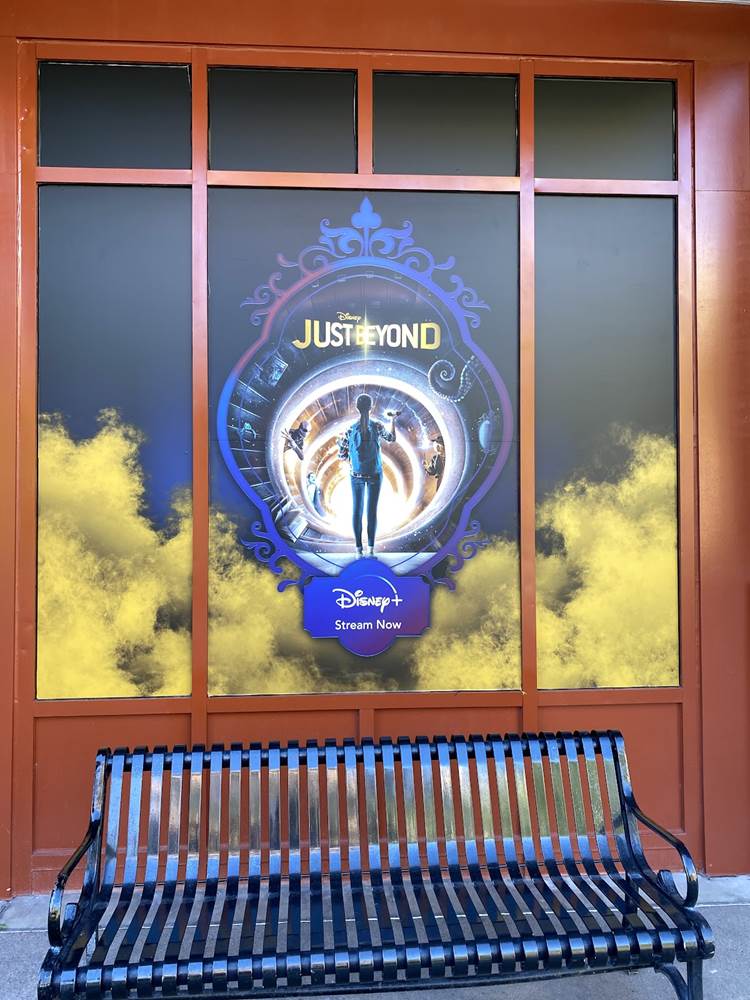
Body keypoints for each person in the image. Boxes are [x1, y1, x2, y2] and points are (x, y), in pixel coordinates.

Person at [338, 393, 395, 557]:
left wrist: (349, 456)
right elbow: (391, 438)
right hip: (375, 474)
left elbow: (341, 456)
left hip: (356, 475)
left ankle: (358, 550)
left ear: (357, 408)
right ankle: (370, 550)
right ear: (371, 407)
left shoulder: (350, 429)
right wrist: (393, 420)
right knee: (372, 511)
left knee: (357, 511)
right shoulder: (377, 426)